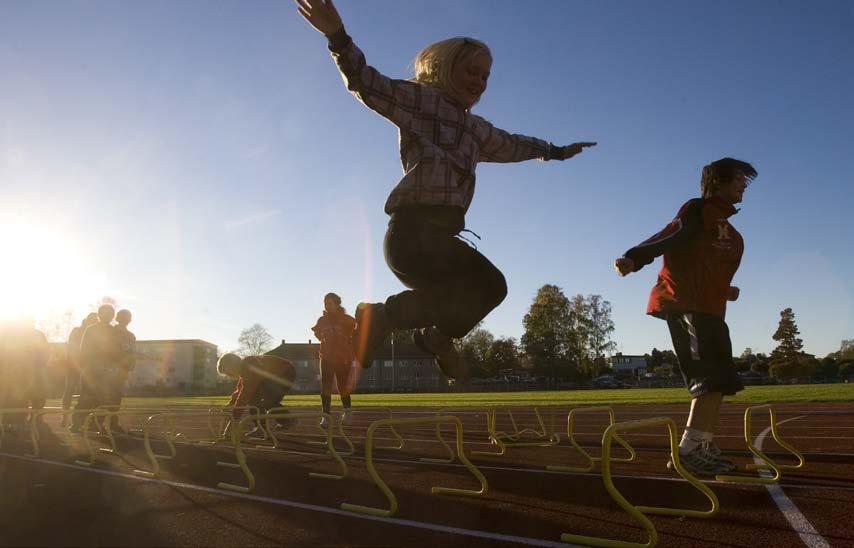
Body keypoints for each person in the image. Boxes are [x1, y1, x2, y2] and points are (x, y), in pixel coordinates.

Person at [295, 0, 596, 379]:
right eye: (471, 71)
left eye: (486, 76)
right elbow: (368, 83)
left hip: (442, 237)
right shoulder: (421, 100)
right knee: (473, 289)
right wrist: (337, 37)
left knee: (490, 288)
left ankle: (433, 338)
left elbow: (513, 143)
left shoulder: (476, 130)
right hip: (412, 234)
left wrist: (554, 152)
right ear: (444, 68)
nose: (479, 81)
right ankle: (383, 316)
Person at [614, 157, 757, 476]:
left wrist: (726, 290)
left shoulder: (729, 230)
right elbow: (671, 235)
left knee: (721, 381)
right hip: (686, 304)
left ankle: (702, 443)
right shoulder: (698, 210)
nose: (743, 185)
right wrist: (634, 258)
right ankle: (688, 451)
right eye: (738, 178)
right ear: (718, 181)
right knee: (706, 378)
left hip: (711, 308)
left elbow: (705, 266)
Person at [217, 352, 296, 436]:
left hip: (284, 373)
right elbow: (240, 388)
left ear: (232, 366)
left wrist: (234, 420)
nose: (229, 377)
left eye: (228, 373)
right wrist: (231, 402)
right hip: (279, 374)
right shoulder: (245, 367)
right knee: (257, 399)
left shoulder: (249, 367)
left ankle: (287, 420)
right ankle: (262, 427)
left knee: (265, 400)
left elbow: (244, 395)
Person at [71, 304, 118, 432]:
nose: (108, 316)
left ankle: (96, 424)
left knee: (104, 398)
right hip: (91, 369)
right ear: (99, 314)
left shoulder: (114, 331)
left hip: (107, 370)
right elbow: (84, 349)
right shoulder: (91, 329)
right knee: (86, 397)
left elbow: (116, 350)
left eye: (111, 314)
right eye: (105, 313)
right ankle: (77, 423)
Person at [311, 293, 357, 427]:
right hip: (326, 358)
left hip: (342, 358)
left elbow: (355, 331)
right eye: (325, 303)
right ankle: (325, 416)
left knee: (342, 386)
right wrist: (325, 341)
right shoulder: (322, 320)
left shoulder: (346, 319)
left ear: (337, 304)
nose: (327, 306)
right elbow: (317, 332)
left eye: (330, 303)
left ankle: (347, 412)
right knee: (325, 387)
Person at [0, 316, 49, 429]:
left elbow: (44, 353)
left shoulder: (38, 335)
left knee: (37, 396)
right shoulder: (14, 336)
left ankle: (35, 418)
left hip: (34, 371)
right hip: (19, 373)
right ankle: (14, 420)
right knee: (17, 397)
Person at [61, 312, 98, 426]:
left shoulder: (95, 333)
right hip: (74, 365)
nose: (93, 322)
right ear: (86, 320)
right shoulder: (77, 331)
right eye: (91, 320)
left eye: (94, 321)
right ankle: (65, 416)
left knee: (86, 392)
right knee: (69, 390)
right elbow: (71, 347)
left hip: (87, 367)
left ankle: (82, 418)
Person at [105, 309, 136, 433]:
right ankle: (100, 422)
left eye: (128, 317)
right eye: (124, 317)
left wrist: (130, 365)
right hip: (108, 369)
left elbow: (132, 352)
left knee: (116, 398)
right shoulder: (110, 332)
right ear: (117, 318)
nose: (126, 319)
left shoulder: (130, 335)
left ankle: (112, 423)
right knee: (105, 397)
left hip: (122, 370)